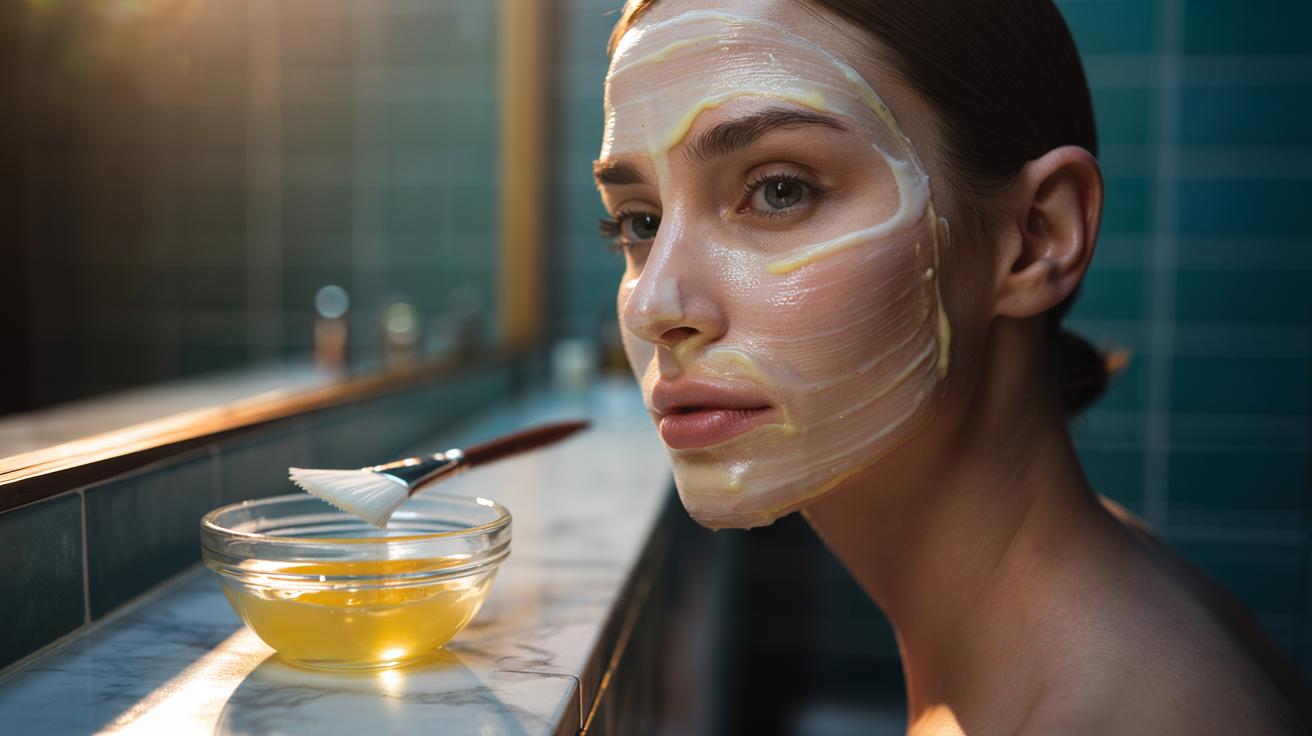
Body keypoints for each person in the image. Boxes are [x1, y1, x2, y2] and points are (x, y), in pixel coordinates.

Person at [593, 0, 1311, 732]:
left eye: (782, 190)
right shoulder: (1103, 580)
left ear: (1037, 238)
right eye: (638, 222)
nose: (654, 303)